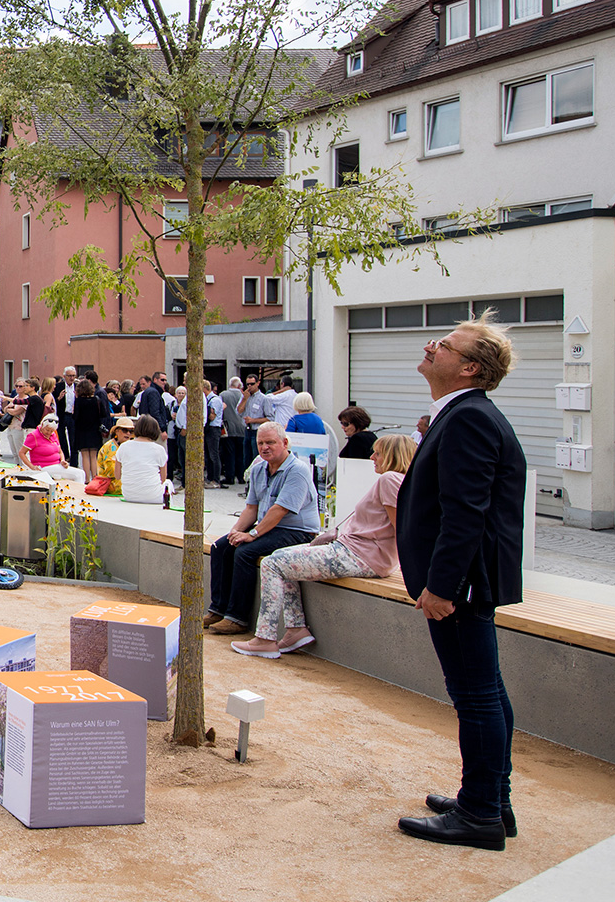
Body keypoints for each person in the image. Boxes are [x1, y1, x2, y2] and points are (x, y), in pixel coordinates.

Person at [394, 317, 528, 851]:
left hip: (461, 587)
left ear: (469, 368)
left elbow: (465, 514)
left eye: (445, 345)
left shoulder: (469, 419)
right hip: (466, 583)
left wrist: (442, 587)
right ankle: (492, 801)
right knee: (485, 692)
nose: (432, 345)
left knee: (476, 697)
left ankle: (479, 814)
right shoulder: (464, 415)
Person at [234, 434, 415, 659]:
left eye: (377, 452)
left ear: (391, 456)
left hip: (358, 555)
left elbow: (403, 530)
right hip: (359, 553)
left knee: (272, 563)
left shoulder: (389, 479)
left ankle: (265, 638)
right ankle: (295, 630)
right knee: (280, 557)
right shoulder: (403, 482)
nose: (372, 457)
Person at [205, 423, 322, 635]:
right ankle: (218, 609)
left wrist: (252, 535)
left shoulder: (298, 471)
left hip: (298, 531)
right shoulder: (259, 468)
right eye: (260, 443)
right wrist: (235, 532)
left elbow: (279, 511)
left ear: (285, 443)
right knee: (221, 546)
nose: (264, 447)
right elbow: (251, 508)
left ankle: (237, 618)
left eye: (270, 442)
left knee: (245, 552)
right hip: (270, 526)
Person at [115, 415, 169, 504]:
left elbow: (117, 476)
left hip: (129, 495)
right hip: (154, 497)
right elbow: (163, 479)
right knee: (169, 484)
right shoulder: (159, 450)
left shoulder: (123, 447)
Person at [20, 417, 86, 484]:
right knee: (78, 474)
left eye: (51, 431)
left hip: (57, 465)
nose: (49, 433)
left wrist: (62, 460)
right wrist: (32, 467)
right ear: (42, 425)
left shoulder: (53, 435)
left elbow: (60, 451)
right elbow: (21, 453)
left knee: (82, 473)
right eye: (47, 430)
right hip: (43, 467)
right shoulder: (33, 436)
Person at [72, 378, 107, 479]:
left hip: (81, 430)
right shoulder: (97, 400)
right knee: (93, 455)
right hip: (95, 430)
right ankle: (95, 477)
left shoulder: (79, 401)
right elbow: (103, 414)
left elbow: (75, 417)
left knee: (85, 456)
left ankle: (87, 479)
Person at [91, 418, 133, 496]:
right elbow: (111, 472)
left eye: (131, 431)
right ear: (117, 431)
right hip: (111, 485)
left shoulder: (128, 446)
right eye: (125, 430)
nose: (128, 433)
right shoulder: (110, 447)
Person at [220, 377, 249, 486]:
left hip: (229, 428)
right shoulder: (244, 396)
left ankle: (230, 476)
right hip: (242, 428)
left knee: (229, 454)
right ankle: (241, 476)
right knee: (241, 454)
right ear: (239, 386)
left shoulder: (223, 395)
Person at [202, 381, 224, 488]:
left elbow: (212, 416)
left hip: (214, 428)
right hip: (208, 429)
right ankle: (210, 477)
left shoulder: (214, 400)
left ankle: (216, 479)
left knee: (214, 454)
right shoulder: (207, 399)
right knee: (208, 455)